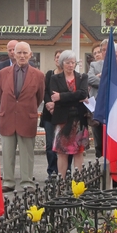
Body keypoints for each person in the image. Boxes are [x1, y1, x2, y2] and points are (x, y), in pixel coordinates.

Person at [0, 41, 45, 192]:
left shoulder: (38, 75)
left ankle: (27, 182)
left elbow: (39, 97)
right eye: (19, 53)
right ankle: (8, 181)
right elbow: (1, 93)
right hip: (8, 117)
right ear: (13, 54)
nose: (22, 56)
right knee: (7, 153)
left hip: (27, 118)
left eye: (25, 53)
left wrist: (25, 108)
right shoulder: (3, 73)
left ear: (30, 55)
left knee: (27, 153)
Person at [50, 50, 89, 178]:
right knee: (62, 152)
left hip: (79, 120)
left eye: (73, 62)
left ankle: (78, 180)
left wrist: (62, 96)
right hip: (62, 120)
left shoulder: (82, 77)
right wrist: (73, 97)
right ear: (62, 63)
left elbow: (83, 94)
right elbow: (54, 98)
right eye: (68, 62)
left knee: (78, 151)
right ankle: (62, 180)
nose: (71, 65)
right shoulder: (55, 78)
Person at [40, 49, 64, 177]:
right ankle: (52, 170)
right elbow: (44, 91)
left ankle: (65, 170)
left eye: (61, 57)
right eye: (57, 57)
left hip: (64, 115)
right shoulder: (49, 74)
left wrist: (58, 105)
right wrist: (49, 104)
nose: (58, 60)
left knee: (64, 144)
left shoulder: (69, 75)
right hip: (49, 115)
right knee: (50, 144)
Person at [88, 39, 107, 158]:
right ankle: (99, 161)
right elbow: (90, 79)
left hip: (111, 105)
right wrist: (106, 81)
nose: (98, 54)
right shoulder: (94, 65)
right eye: (95, 53)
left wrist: (100, 78)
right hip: (96, 105)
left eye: (100, 51)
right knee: (98, 137)